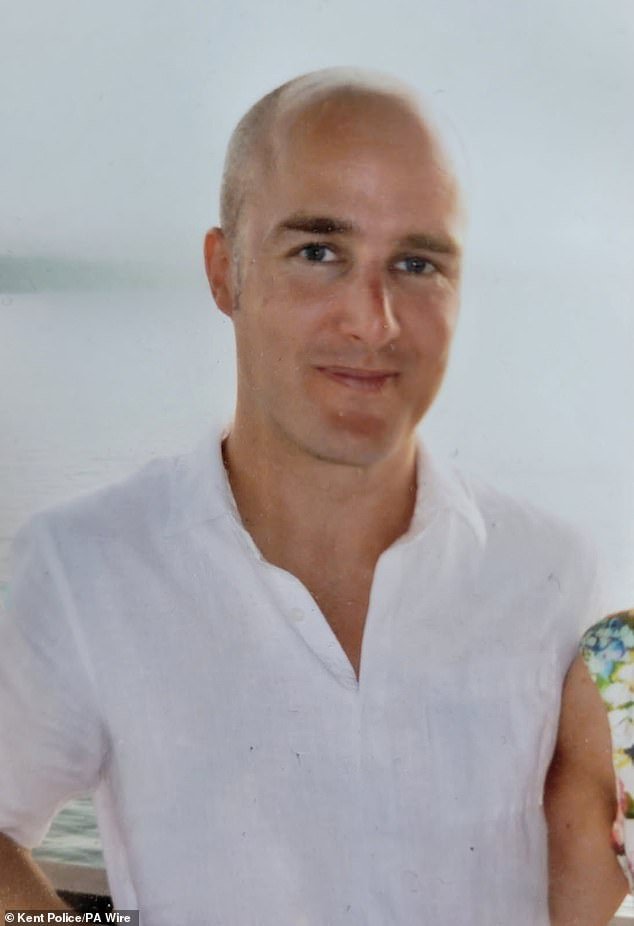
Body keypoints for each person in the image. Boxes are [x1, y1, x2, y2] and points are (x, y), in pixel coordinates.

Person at [0, 67, 627, 925]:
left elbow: (575, 882)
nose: (373, 320)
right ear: (225, 272)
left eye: (417, 263)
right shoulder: (87, 568)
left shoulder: (557, 578)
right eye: (319, 253)